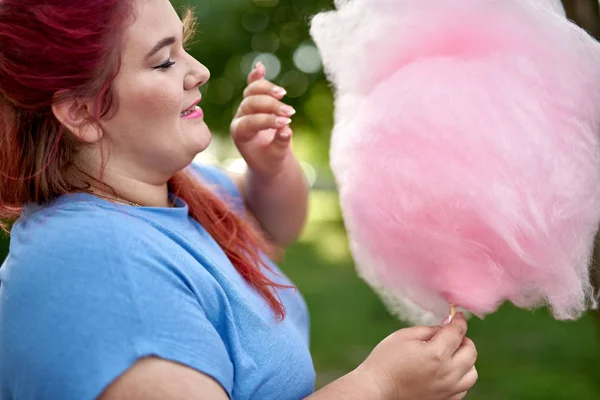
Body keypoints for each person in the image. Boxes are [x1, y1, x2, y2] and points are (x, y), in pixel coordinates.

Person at [0, 0, 478, 399]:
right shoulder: (98, 268)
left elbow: (276, 226)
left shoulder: (173, 186)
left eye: (184, 48)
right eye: (165, 60)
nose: (200, 71)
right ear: (82, 112)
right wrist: (379, 386)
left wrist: (269, 168)